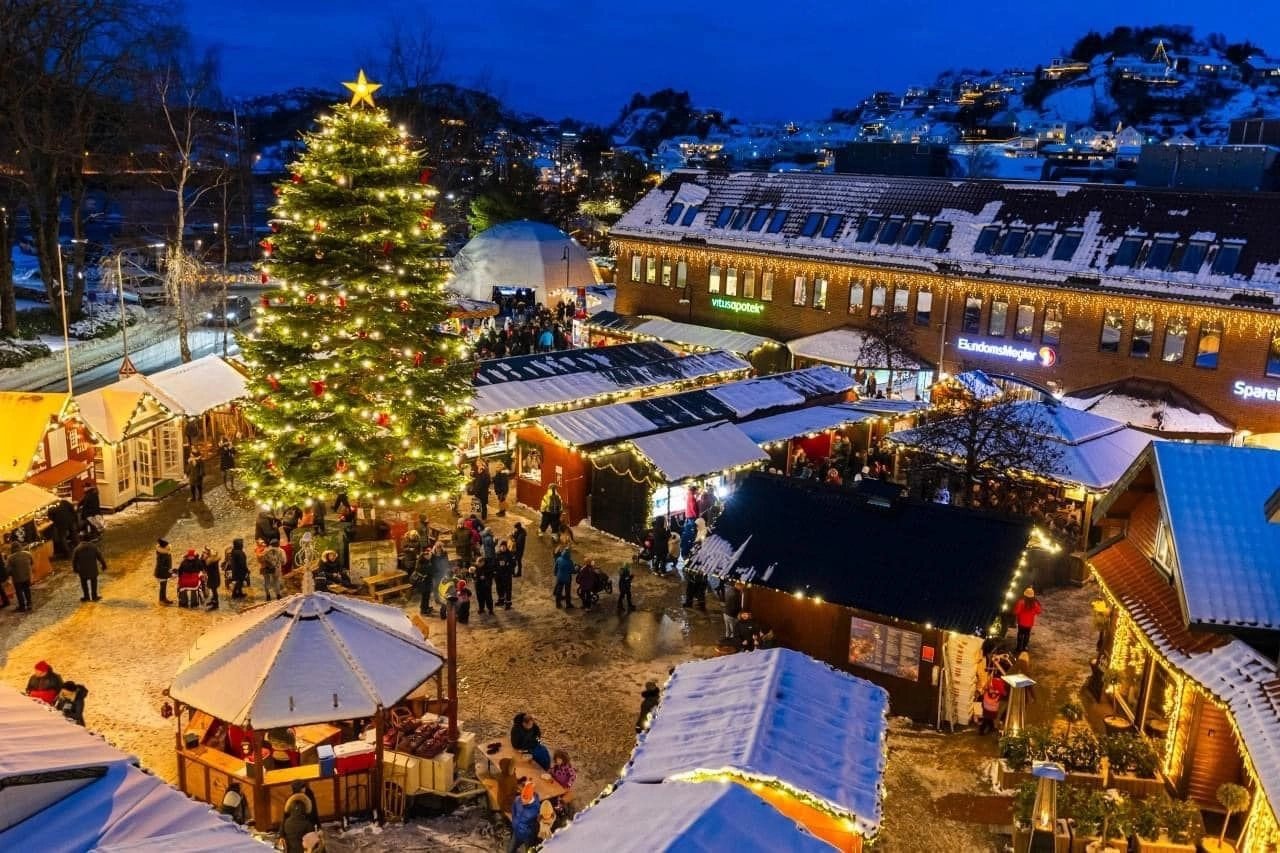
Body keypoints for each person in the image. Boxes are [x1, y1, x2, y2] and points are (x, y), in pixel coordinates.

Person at [508, 781, 541, 853]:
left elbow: (537, 822)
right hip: (516, 832)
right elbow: (514, 811)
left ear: (530, 798)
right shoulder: (517, 799)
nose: (522, 800)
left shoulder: (536, 807)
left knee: (530, 851)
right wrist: (514, 822)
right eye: (522, 797)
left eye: (525, 799)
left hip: (528, 836)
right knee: (510, 851)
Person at [1013, 587, 1043, 654]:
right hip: (1029, 623)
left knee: (1020, 634)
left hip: (1021, 622)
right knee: (1027, 634)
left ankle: (1018, 647)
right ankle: (1024, 647)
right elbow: (1039, 611)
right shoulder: (1034, 603)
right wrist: (1033, 613)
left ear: (1025, 594)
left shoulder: (1021, 602)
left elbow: (1016, 612)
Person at [550, 749, 577, 817]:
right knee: (552, 794)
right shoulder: (557, 766)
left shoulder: (568, 767)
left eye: (560, 760)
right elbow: (552, 771)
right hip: (556, 784)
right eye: (557, 760)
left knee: (559, 799)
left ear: (564, 759)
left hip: (564, 786)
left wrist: (569, 784)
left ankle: (560, 810)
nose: (558, 761)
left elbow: (573, 776)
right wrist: (549, 772)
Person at [9, 544, 33, 612]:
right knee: (27, 589)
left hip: (17, 578)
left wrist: (11, 574)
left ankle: (22, 607)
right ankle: (29, 604)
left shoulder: (10, 558)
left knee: (19, 592)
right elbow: (31, 563)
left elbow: (8, 570)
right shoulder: (28, 554)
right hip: (27, 576)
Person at [494, 540, 516, 609]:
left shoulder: (510, 555)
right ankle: (501, 600)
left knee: (507, 589)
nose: (503, 548)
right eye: (501, 547)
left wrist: (507, 565)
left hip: (506, 575)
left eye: (504, 547)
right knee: (499, 588)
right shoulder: (497, 554)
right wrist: (495, 571)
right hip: (499, 575)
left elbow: (514, 564)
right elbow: (494, 563)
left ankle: (508, 603)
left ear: (506, 547)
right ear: (500, 547)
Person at [154, 538, 174, 605]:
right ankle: (161, 600)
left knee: (163, 587)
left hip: (163, 573)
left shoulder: (164, 553)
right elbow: (161, 566)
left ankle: (163, 599)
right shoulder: (162, 555)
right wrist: (169, 570)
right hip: (161, 574)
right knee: (163, 587)